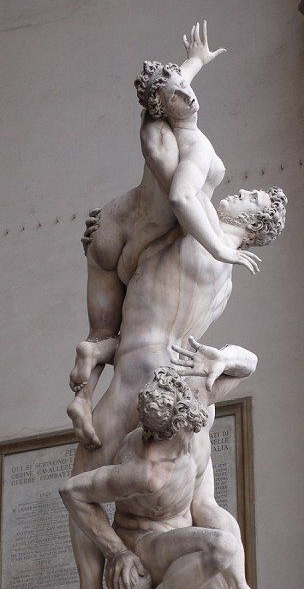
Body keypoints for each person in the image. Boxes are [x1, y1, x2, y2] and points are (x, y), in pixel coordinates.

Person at [67, 183, 287, 588]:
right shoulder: (224, 278)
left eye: (251, 198)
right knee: (204, 505)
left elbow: (180, 177)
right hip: (182, 377)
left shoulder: (195, 230)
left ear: (254, 225)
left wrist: (107, 235)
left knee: (85, 486)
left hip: (139, 372)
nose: (240, 192)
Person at [68, 21, 259, 416]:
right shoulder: (193, 149)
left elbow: (169, 84)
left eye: (187, 88)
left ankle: (83, 399)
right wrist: (221, 247)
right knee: (134, 335)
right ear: (163, 105)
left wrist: (193, 63)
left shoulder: (155, 126)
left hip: (116, 225)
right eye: (179, 95)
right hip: (126, 235)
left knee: (104, 336)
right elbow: (182, 198)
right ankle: (85, 394)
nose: (189, 98)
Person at [61, 345, 257, 589]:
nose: (193, 432)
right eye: (185, 430)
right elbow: (71, 492)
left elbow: (250, 363)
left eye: (195, 424)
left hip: (189, 527)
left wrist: (224, 359)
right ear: (164, 434)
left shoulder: (196, 405)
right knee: (223, 547)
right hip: (147, 543)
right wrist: (117, 552)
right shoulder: (145, 472)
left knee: (219, 531)